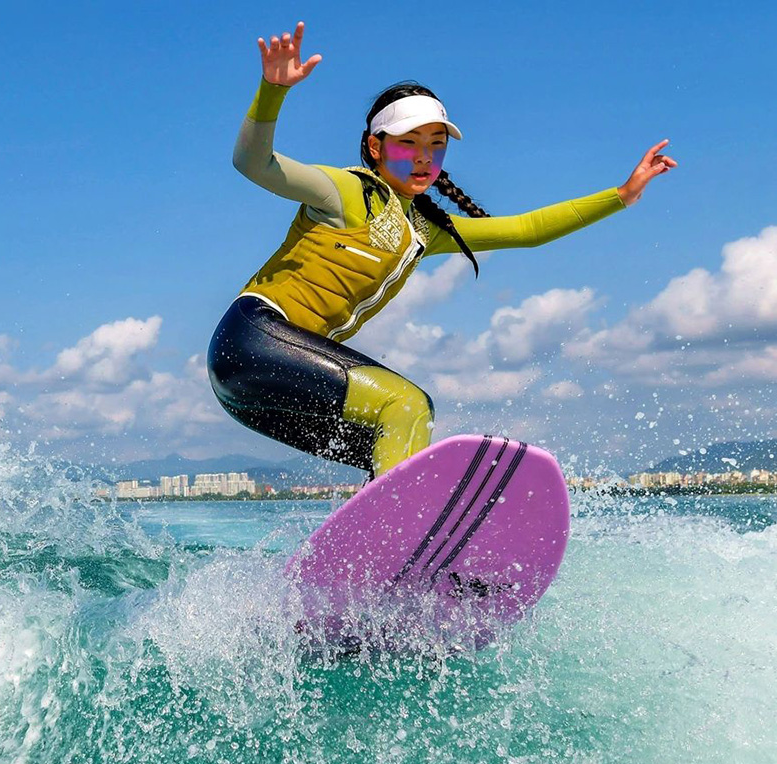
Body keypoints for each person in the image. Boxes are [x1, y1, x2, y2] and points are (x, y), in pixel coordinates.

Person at [207, 21, 676, 481]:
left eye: (436, 146)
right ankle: (404, 528)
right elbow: (253, 163)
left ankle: (381, 532)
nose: (424, 157)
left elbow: (527, 229)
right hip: (252, 341)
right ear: (375, 147)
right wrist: (272, 90)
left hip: (259, 386)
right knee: (405, 404)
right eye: (408, 143)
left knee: (396, 438)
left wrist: (622, 195)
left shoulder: (423, 231)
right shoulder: (347, 191)